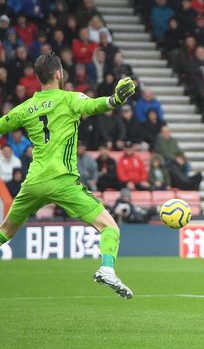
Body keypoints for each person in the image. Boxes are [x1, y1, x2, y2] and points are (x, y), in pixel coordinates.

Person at [0, 53, 135, 298]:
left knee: (5, 231)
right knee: (109, 228)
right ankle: (107, 269)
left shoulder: (25, 108)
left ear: (37, 78)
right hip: (63, 181)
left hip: (34, 183)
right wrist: (116, 99)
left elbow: (2, 124)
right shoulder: (69, 99)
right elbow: (95, 105)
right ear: (59, 74)